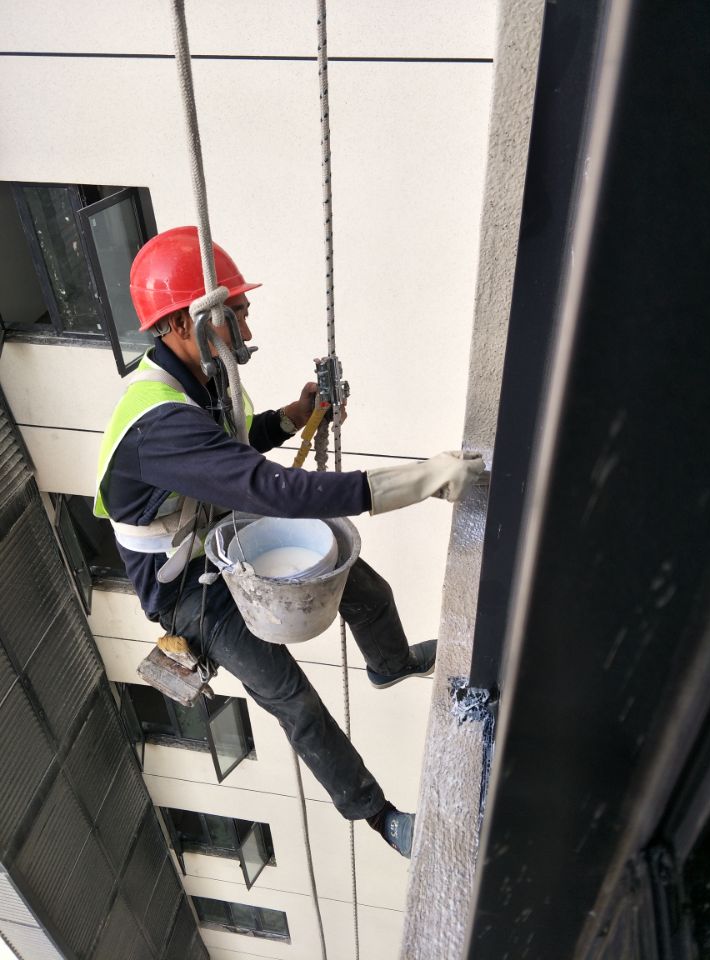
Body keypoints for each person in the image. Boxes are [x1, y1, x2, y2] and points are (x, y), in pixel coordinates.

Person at [95, 226, 484, 858]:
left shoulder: (199, 379)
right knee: (291, 698)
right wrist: (420, 481)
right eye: (235, 314)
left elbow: (235, 438)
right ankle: (378, 815)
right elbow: (270, 489)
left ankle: (388, 664)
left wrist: (293, 417)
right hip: (189, 593)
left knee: (359, 581)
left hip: (221, 541)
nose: (246, 327)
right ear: (183, 322)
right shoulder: (156, 424)